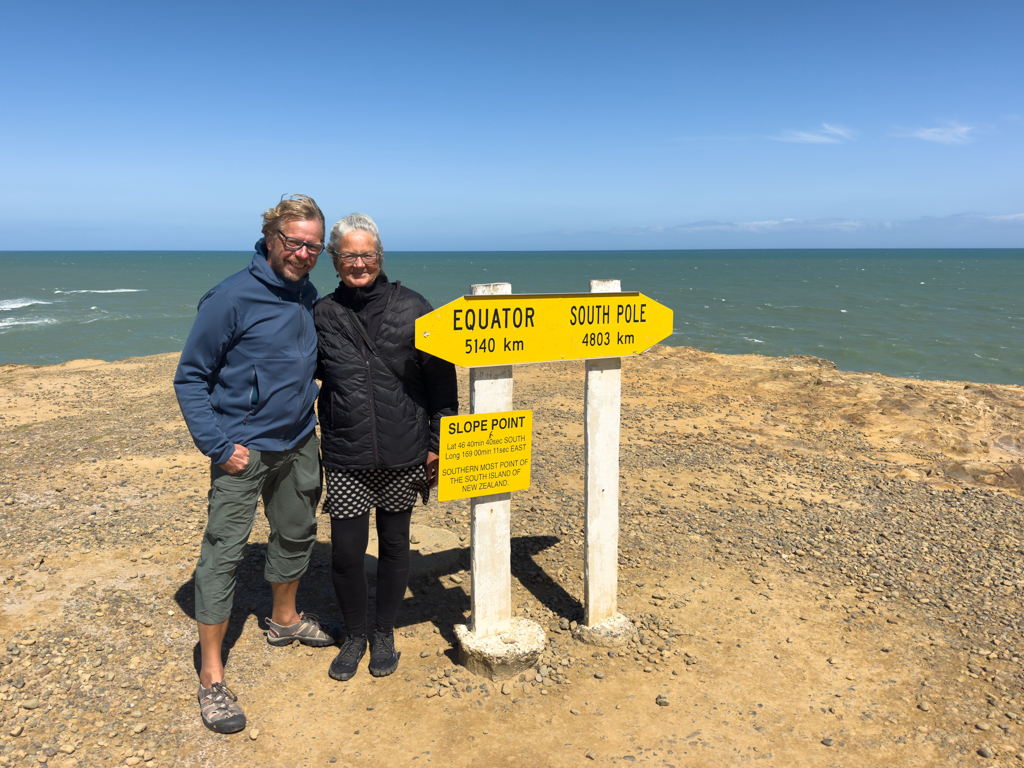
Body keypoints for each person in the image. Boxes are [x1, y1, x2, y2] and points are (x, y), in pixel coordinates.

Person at [174, 194, 338, 734]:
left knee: (296, 533)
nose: (304, 254)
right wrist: (218, 446)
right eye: (295, 242)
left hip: (298, 441)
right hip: (243, 451)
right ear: (270, 238)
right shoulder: (230, 298)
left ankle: (284, 619)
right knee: (223, 552)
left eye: (314, 245)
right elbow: (191, 377)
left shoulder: (306, 293)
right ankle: (212, 675)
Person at [314, 212, 458, 681]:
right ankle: (355, 635)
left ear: (380, 257)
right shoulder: (322, 314)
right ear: (334, 260)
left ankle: (383, 633)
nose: (359, 264)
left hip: (405, 450)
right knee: (345, 553)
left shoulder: (415, 307)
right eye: (349, 256)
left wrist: (438, 443)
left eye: (367, 255)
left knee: (395, 545)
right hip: (346, 454)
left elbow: (442, 385)